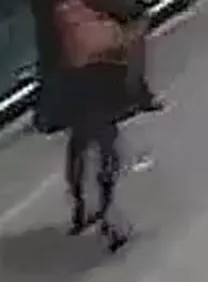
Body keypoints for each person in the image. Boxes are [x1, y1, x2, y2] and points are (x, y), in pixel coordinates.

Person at [53, 0, 143, 249]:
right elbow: (133, 16)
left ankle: (84, 204)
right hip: (100, 71)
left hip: (77, 73)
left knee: (83, 140)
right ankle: (106, 214)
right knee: (105, 143)